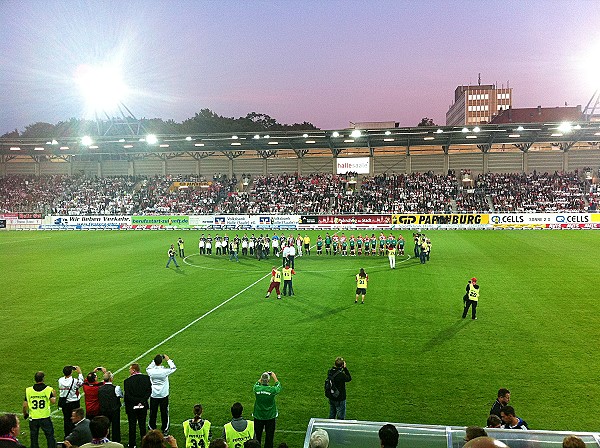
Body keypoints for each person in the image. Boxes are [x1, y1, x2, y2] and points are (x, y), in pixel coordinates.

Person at [23, 371, 57, 448]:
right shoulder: (48, 389)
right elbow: (53, 401)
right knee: (50, 436)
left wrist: (25, 413)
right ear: (43, 379)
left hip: (33, 418)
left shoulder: (28, 390)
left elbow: (25, 405)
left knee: (34, 438)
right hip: (45, 417)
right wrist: (54, 395)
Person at [147, 355, 177, 435]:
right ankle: (165, 429)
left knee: (153, 412)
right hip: (163, 394)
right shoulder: (164, 371)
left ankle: (151, 428)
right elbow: (173, 368)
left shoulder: (150, 371)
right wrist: (168, 360)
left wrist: (155, 361)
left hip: (154, 394)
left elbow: (149, 367)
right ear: (161, 362)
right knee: (164, 413)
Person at [123, 364, 152, 448]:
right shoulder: (146, 378)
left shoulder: (127, 381)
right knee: (142, 425)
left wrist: (136, 402)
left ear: (133, 370)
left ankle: (132, 444)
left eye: (130, 369)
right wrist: (141, 401)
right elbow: (149, 392)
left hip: (132, 407)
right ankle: (144, 444)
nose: (129, 371)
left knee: (132, 425)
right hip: (143, 405)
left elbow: (127, 396)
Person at [252, 371, 281, 448]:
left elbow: (256, 384)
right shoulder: (272, 390)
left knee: (257, 436)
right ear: (268, 381)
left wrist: (261, 377)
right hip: (270, 416)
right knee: (269, 437)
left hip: (258, 415)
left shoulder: (256, 388)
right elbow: (278, 386)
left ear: (262, 380)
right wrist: (274, 377)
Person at [58, 365, 84, 437]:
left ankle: (67, 435)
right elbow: (81, 383)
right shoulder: (74, 381)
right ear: (71, 372)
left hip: (65, 403)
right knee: (75, 419)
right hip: (74, 402)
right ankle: (75, 435)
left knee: (66, 420)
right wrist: (80, 373)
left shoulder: (60, 380)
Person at [98, 372, 123, 443]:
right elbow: (121, 395)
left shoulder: (100, 389)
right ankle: (116, 442)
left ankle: (106, 441)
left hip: (104, 410)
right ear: (111, 379)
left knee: (105, 427)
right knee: (116, 427)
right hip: (114, 410)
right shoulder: (116, 388)